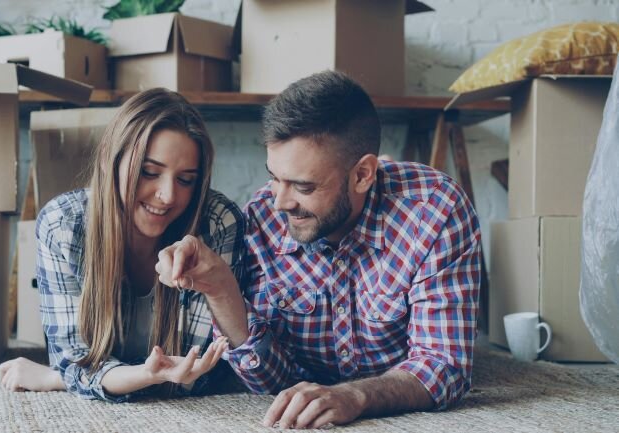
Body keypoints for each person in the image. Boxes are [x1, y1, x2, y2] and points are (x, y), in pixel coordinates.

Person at [156, 70, 481, 428]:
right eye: (274, 177)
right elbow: (269, 381)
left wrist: (354, 396)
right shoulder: (264, 218)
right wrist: (221, 291)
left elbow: (445, 366)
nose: (279, 202)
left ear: (362, 175)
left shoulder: (434, 209)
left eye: (303, 187)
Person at [0, 88, 246, 402]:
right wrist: (144, 374)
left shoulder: (218, 222)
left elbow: (205, 374)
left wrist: (57, 378)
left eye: (186, 180)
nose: (168, 195)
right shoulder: (62, 226)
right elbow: (75, 358)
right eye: (149, 172)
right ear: (107, 160)